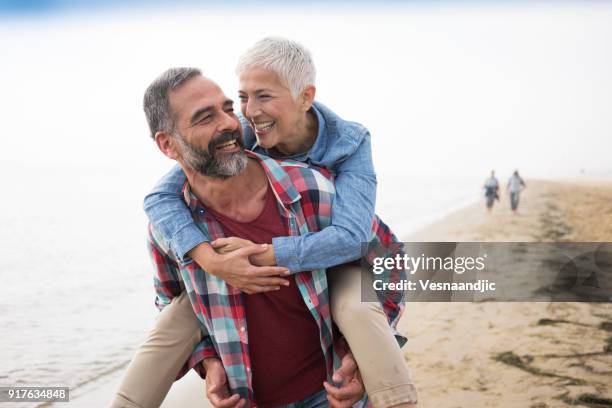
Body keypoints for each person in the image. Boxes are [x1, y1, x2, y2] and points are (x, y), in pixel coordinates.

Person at [114, 37, 416, 408]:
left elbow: (373, 249)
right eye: (240, 100)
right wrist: (208, 362)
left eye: (232, 107)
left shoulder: (328, 171)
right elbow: (167, 283)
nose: (242, 118)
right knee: (173, 322)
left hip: (331, 366)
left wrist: (360, 354)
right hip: (251, 394)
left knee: (355, 298)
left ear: (305, 98)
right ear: (167, 145)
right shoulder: (177, 212)